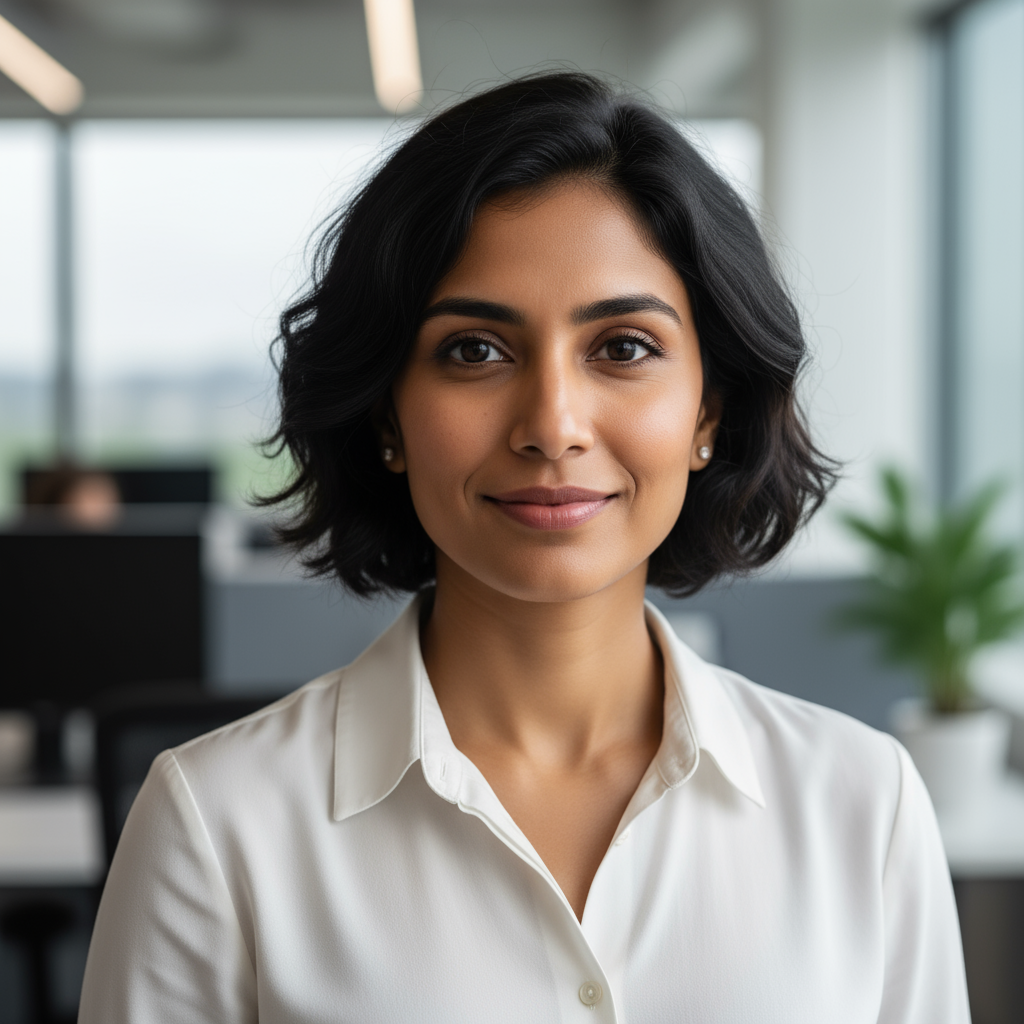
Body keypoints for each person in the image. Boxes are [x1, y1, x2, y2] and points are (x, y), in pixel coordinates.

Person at [78, 73, 970, 1022]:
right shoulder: (218, 827)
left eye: (623, 347)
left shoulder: (861, 807)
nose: (553, 425)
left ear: (709, 408)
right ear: (388, 412)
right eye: (474, 350)